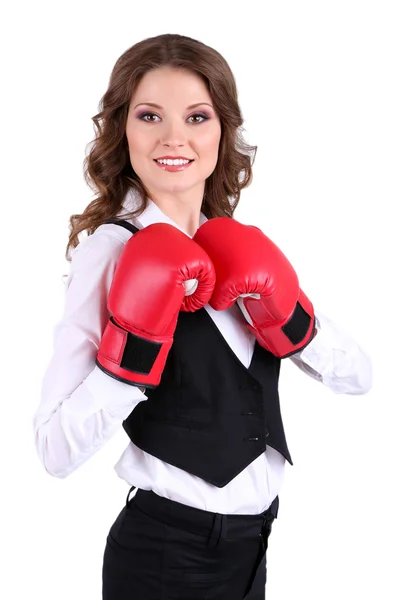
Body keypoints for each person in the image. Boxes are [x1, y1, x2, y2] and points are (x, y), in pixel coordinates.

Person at [33, 33, 373, 600]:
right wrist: (131, 354)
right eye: (149, 115)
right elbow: (55, 450)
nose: (174, 138)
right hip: (167, 556)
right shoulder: (110, 252)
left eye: (196, 116)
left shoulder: (239, 246)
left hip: (256, 547)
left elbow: (359, 377)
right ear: (123, 129)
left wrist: (291, 320)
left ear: (223, 130)